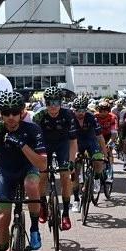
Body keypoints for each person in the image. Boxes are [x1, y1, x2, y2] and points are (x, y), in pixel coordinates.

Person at [0, 91, 47, 251]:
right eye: (6, 112)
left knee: (31, 184)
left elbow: (42, 164)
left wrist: (21, 145)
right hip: (7, 173)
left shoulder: (33, 129)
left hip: (28, 169)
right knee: (3, 218)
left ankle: (35, 228)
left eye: (14, 112)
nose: (10, 117)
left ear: (22, 113)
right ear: (0, 114)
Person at [32, 86, 78, 230]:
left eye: (56, 102)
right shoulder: (38, 116)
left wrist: (71, 161)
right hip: (43, 146)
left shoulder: (68, 115)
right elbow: (33, 140)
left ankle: (65, 213)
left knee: (65, 175)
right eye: (50, 102)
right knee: (42, 176)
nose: (53, 106)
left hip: (62, 145)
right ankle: (43, 206)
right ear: (45, 103)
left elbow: (73, 141)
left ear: (61, 102)